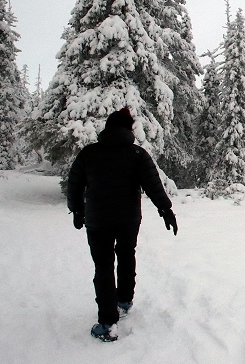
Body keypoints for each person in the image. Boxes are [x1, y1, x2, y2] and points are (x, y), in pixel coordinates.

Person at [67, 107, 178, 342]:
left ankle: (108, 323)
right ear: (128, 130)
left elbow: (75, 183)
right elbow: (153, 185)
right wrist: (165, 210)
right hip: (128, 219)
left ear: (107, 128)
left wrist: (77, 209)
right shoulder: (137, 154)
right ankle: (124, 300)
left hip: (98, 221)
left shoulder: (89, 153)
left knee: (103, 267)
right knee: (126, 254)